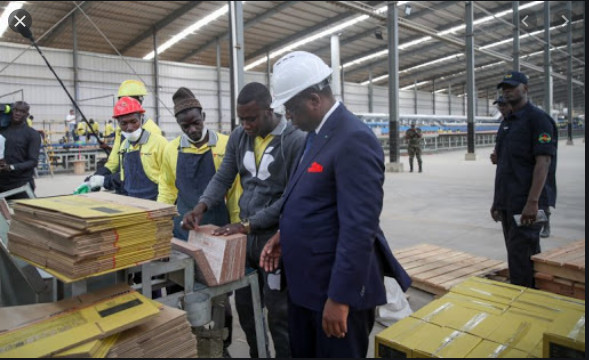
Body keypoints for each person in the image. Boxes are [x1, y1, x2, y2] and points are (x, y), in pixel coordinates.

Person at [259, 51, 411, 358]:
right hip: (307, 287)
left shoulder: (353, 139)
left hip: (333, 293)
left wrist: (340, 298)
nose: (287, 116)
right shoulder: (316, 135)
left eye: (290, 107)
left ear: (314, 99)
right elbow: (312, 200)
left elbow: (359, 228)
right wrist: (283, 236)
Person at [183, 82, 305, 358]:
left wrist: (248, 224)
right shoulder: (240, 137)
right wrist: (201, 206)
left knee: (278, 313)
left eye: (252, 118)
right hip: (246, 238)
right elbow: (224, 176)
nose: (246, 124)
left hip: (276, 241)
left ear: (269, 110)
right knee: (247, 309)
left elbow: (290, 198)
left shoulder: (295, 140)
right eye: (242, 119)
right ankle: (257, 353)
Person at [158, 87, 241, 356]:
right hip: (183, 231)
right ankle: (188, 342)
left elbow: (235, 190)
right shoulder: (171, 150)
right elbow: (168, 189)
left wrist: (238, 226)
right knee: (181, 288)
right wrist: (162, 221)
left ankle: (221, 343)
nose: (192, 129)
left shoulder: (225, 145)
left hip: (217, 230)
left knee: (219, 293)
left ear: (204, 116)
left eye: (196, 123)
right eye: (186, 126)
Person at [490, 71, 557, 288]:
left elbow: (543, 162)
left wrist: (533, 202)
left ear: (525, 89)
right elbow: (503, 166)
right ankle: (529, 295)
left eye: (512, 87)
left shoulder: (538, 119)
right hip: (508, 201)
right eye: (504, 88)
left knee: (521, 256)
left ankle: (523, 301)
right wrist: (497, 202)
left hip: (526, 202)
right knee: (518, 254)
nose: (506, 91)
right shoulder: (508, 122)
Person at [77, 97, 167, 200]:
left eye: (134, 122)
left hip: (156, 202)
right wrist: (100, 180)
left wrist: (163, 205)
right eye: (124, 123)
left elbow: (171, 180)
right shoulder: (124, 146)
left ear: (141, 119)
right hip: (133, 203)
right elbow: (124, 180)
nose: (129, 127)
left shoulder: (159, 143)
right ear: (118, 123)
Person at [0, 101, 41, 200]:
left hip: (21, 184)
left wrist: (12, 167)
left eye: (22, 111)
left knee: (26, 214)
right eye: (16, 110)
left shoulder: (32, 134)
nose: (18, 113)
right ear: (12, 111)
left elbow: (33, 162)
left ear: (27, 115)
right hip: (2, 183)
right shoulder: (2, 132)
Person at [490, 96, 512, 165]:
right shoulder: (504, 123)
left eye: (504, 105)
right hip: (503, 167)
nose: (501, 108)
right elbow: (499, 141)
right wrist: (496, 154)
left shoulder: (519, 122)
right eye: (499, 105)